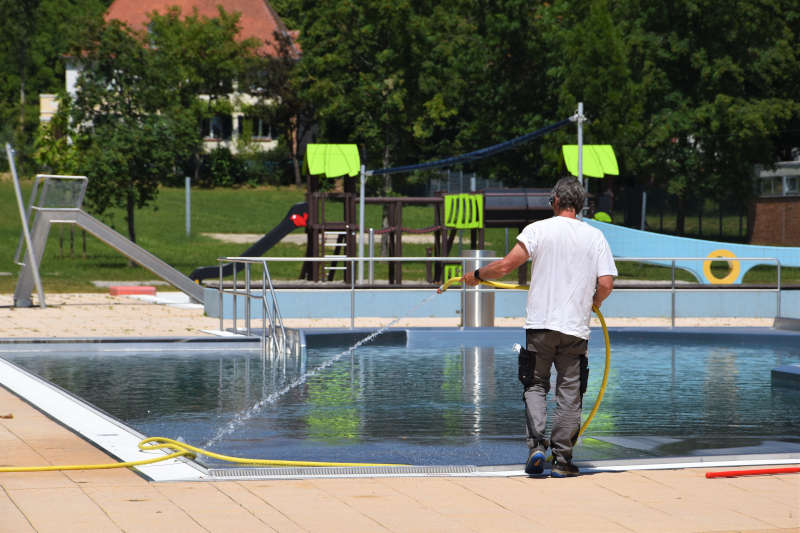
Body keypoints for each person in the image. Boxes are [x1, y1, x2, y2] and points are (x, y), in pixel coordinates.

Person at [462, 176, 617, 477]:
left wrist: (477, 275)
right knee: (570, 392)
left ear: (556, 201)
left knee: (535, 384)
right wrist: (592, 303)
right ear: (580, 205)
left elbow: (507, 266)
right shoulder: (595, 236)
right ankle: (561, 460)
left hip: (540, 326)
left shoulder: (537, 230)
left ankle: (536, 447)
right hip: (575, 327)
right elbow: (606, 284)